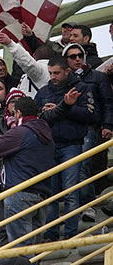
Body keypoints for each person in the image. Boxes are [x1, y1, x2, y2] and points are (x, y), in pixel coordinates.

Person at [0, 97, 56, 265]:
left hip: (19, 195)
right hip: (42, 196)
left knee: (21, 251)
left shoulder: (21, 132)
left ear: (19, 113)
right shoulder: (47, 135)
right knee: (33, 250)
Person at [35, 55, 96, 241]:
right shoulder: (43, 92)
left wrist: (65, 107)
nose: (53, 77)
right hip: (50, 146)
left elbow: (91, 115)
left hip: (72, 145)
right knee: (51, 194)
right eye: (50, 73)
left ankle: (70, 233)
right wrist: (49, 112)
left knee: (70, 192)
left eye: (57, 73)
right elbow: (36, 119)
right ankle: (52, 234)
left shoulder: (82, 88)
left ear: (67, 71)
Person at [62, 43, 113, 221]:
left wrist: (108, 125)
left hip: (90, 128)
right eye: (72, 56)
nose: (77, 59)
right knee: (74, 168)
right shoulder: (62, 81)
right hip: (68, 130)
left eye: (80, 55)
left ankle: (88, 205)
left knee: (81, 165)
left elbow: (107, 102)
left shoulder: (98, 77)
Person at [0, 32, 54, 98]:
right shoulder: (53, 73)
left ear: (34, 56)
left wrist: (10, 44)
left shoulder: (40, 71)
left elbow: (28, 62)